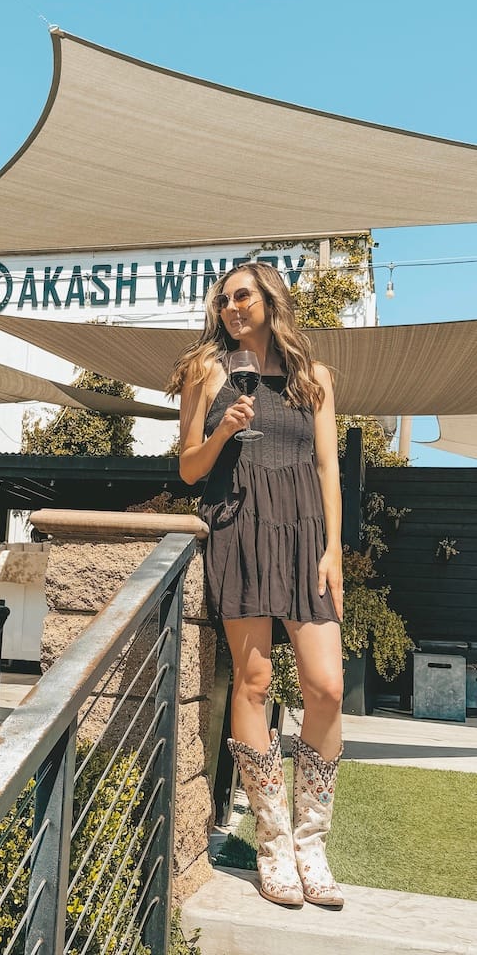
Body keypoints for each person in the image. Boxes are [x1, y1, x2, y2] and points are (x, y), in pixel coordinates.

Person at [167, 262, 345, 909]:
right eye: (223, 300)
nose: (230, 307)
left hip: (303, 532)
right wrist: (224, 430)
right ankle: (273, 845)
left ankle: (311, 843)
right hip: (239, 524)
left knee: (327, 686)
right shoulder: (206, 371)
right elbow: (189, 469)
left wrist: (333, 549)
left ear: (270, 299)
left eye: (241, 295)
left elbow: (326, 468)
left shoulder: (313, 378)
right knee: (255, 680)